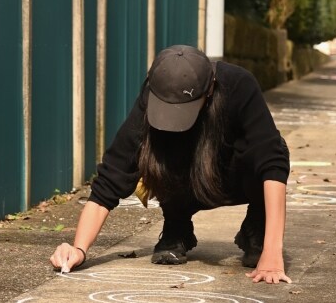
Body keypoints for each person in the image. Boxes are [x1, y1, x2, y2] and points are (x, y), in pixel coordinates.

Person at [50, 45, 291, 284]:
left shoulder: (239, 85)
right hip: (186, 179)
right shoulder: (151, 95)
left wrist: (272, 252)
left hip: (232, 175)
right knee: (154, 152)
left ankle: (257, 226)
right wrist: (78, 249)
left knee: (274, 149)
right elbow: (112, 175)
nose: (175, 118)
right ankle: (177, 226)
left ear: (210, 90)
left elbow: (271, 161)